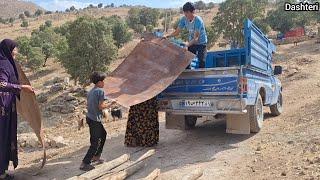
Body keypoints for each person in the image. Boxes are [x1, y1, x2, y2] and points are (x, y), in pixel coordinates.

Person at [0, 39, 34, 180]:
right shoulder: (3, 64)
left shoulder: (7, 62)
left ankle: (2, 169)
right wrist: (22, 88)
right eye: (14, 49)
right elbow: (2, 84)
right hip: (3, 106)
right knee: (2, 137)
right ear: (8, 49)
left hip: (8, 106)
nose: (16, 52)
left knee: (6, 136)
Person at [80, 71, 113, 171]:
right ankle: (84, 163)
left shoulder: (91, 91)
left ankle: (96, 156)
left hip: (90, 117)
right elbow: (101, 106)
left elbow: (95, 102)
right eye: (103, 81)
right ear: (99, 82)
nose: (104, 83)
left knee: (103, 134)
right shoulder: (100, 91)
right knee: (95, 142)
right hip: (95, 119)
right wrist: (111, 104)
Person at [165, 2, 208, 68]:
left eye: (187, 12)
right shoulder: (184, 19)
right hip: (192, 42)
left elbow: (196, 39)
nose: (185, 14)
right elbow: (177, 32)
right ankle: (188, 74)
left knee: (202, 61)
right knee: (186, 59)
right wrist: (167, 36)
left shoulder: (198, 20)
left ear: (193, 11)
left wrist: (187, 45)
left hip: (201, 43)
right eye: (185, 12)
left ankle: (201, 77)